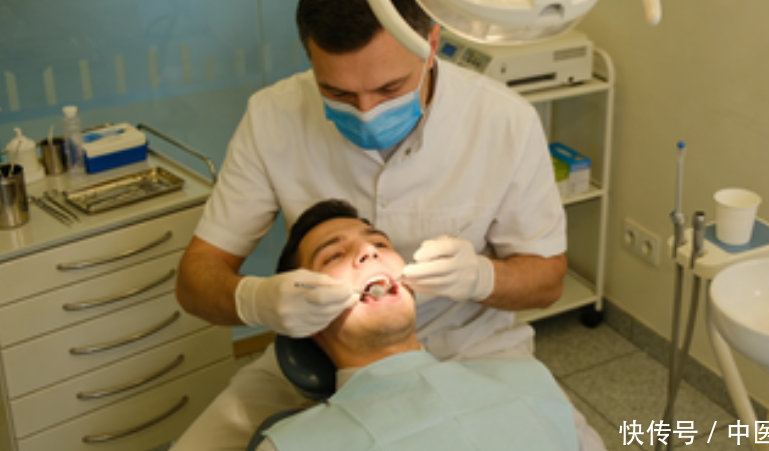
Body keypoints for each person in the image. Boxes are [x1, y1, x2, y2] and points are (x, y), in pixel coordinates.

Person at [173, 0, 596, 449]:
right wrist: (256, 300)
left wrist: (482, 277)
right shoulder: (272, 117)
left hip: (474, 351)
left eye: (390, 88)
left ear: (431, 43)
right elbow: (196, 278)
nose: (366, 111)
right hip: (319, 359)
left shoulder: (503, 121)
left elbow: (548, 281)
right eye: (338, 93)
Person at [253, 199, 586, 451]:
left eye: (380, 244)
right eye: (334, 256)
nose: (368, 250)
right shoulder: (290, 446)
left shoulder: (529, 380)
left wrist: (483, 275)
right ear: (305, 315)